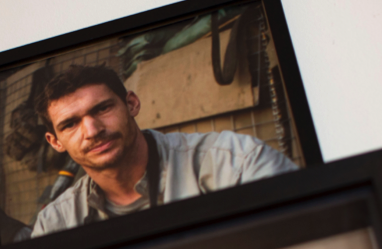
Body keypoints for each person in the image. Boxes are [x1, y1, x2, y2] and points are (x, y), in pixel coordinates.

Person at [30, 65, 299, 237]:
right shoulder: (54, 225)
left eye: (102, 109)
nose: (91, 130)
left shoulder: (234, 162)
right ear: (55, 142)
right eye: (70, 124)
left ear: (131, 104)